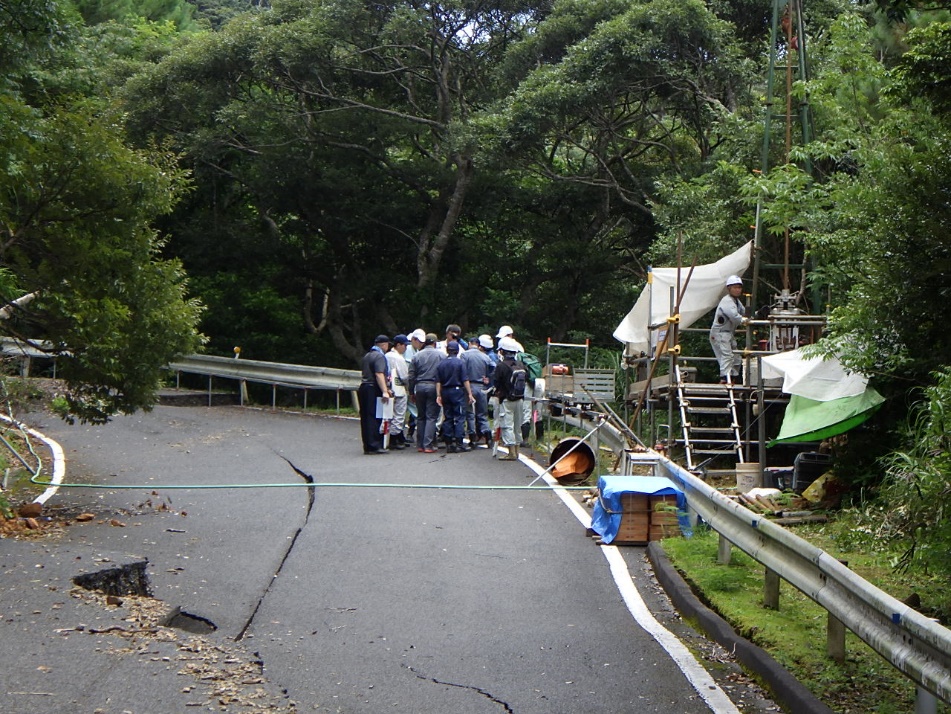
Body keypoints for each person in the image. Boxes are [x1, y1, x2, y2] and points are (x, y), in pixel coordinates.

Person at [408, 332, 444, 453]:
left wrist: (411, 391)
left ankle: (420, 444)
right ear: (435, 343)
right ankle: (428, 444)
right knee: (431, 417)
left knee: (421, 416)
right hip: (433, 386)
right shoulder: (441, 355)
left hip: (419, 386)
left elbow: (411, 375)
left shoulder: (417, 356)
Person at [436, 340, 474, 452]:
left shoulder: (441, 363)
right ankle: (459, 442)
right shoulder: (460, 363)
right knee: (459, 417)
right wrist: (470, 393)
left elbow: (438, 381)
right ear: (457, 351)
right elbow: (465, 379)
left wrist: (438, 394)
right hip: (457, 391)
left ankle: (448, 442)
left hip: (445, 391)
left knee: (448, 417)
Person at [493, 336, 527, 461]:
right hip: (520, 399)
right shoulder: (520, 364)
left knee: (507, 425)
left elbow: (496, 382)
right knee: (517, 425)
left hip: (506, 400)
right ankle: (517, 451)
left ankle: (511, 452)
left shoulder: (501, 366)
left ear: (502, 351)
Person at [357, 335, 392, 454]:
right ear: (383, 344)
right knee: (374, 417)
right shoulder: (379, 356)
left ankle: (367, 444)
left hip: (364, 386)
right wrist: (385, 391)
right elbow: (379, 374)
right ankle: (375, 445)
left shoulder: (367, 355)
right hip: (373, 388)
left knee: (365, 417)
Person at [710, 275, 747, 383]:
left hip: (728, 333)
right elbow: (735, 317)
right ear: (729, 288)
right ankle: (725, 378)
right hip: (720, 334)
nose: (737, 290)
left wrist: (756, 314)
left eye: (739, 287)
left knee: (736, 356)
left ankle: (733, 378)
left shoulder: (736, 301)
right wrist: (746, 320)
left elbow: (744, 313)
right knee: (727, 355)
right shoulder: (727, 301)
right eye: (735, 287)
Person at [461, 334, 495, 448]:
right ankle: (488, 437)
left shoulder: (464, 355)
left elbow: (461, 370)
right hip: (482, 387)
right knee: (482, 414)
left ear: (470, 344)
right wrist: (488, 377)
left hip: (469, 386)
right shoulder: (485, 356)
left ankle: (473, 438)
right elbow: (494, 367)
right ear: (479, 345)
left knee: (470, 413)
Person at [386, 334, 411, 449]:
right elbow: (405, 376)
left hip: (387, 388)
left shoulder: (386, 356)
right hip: (399, 388)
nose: (405, 348)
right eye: (404, 345)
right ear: (398, 345)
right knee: (399, 414)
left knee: (388, 415)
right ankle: (394, 439)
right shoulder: (398, 358)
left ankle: (392, 437)